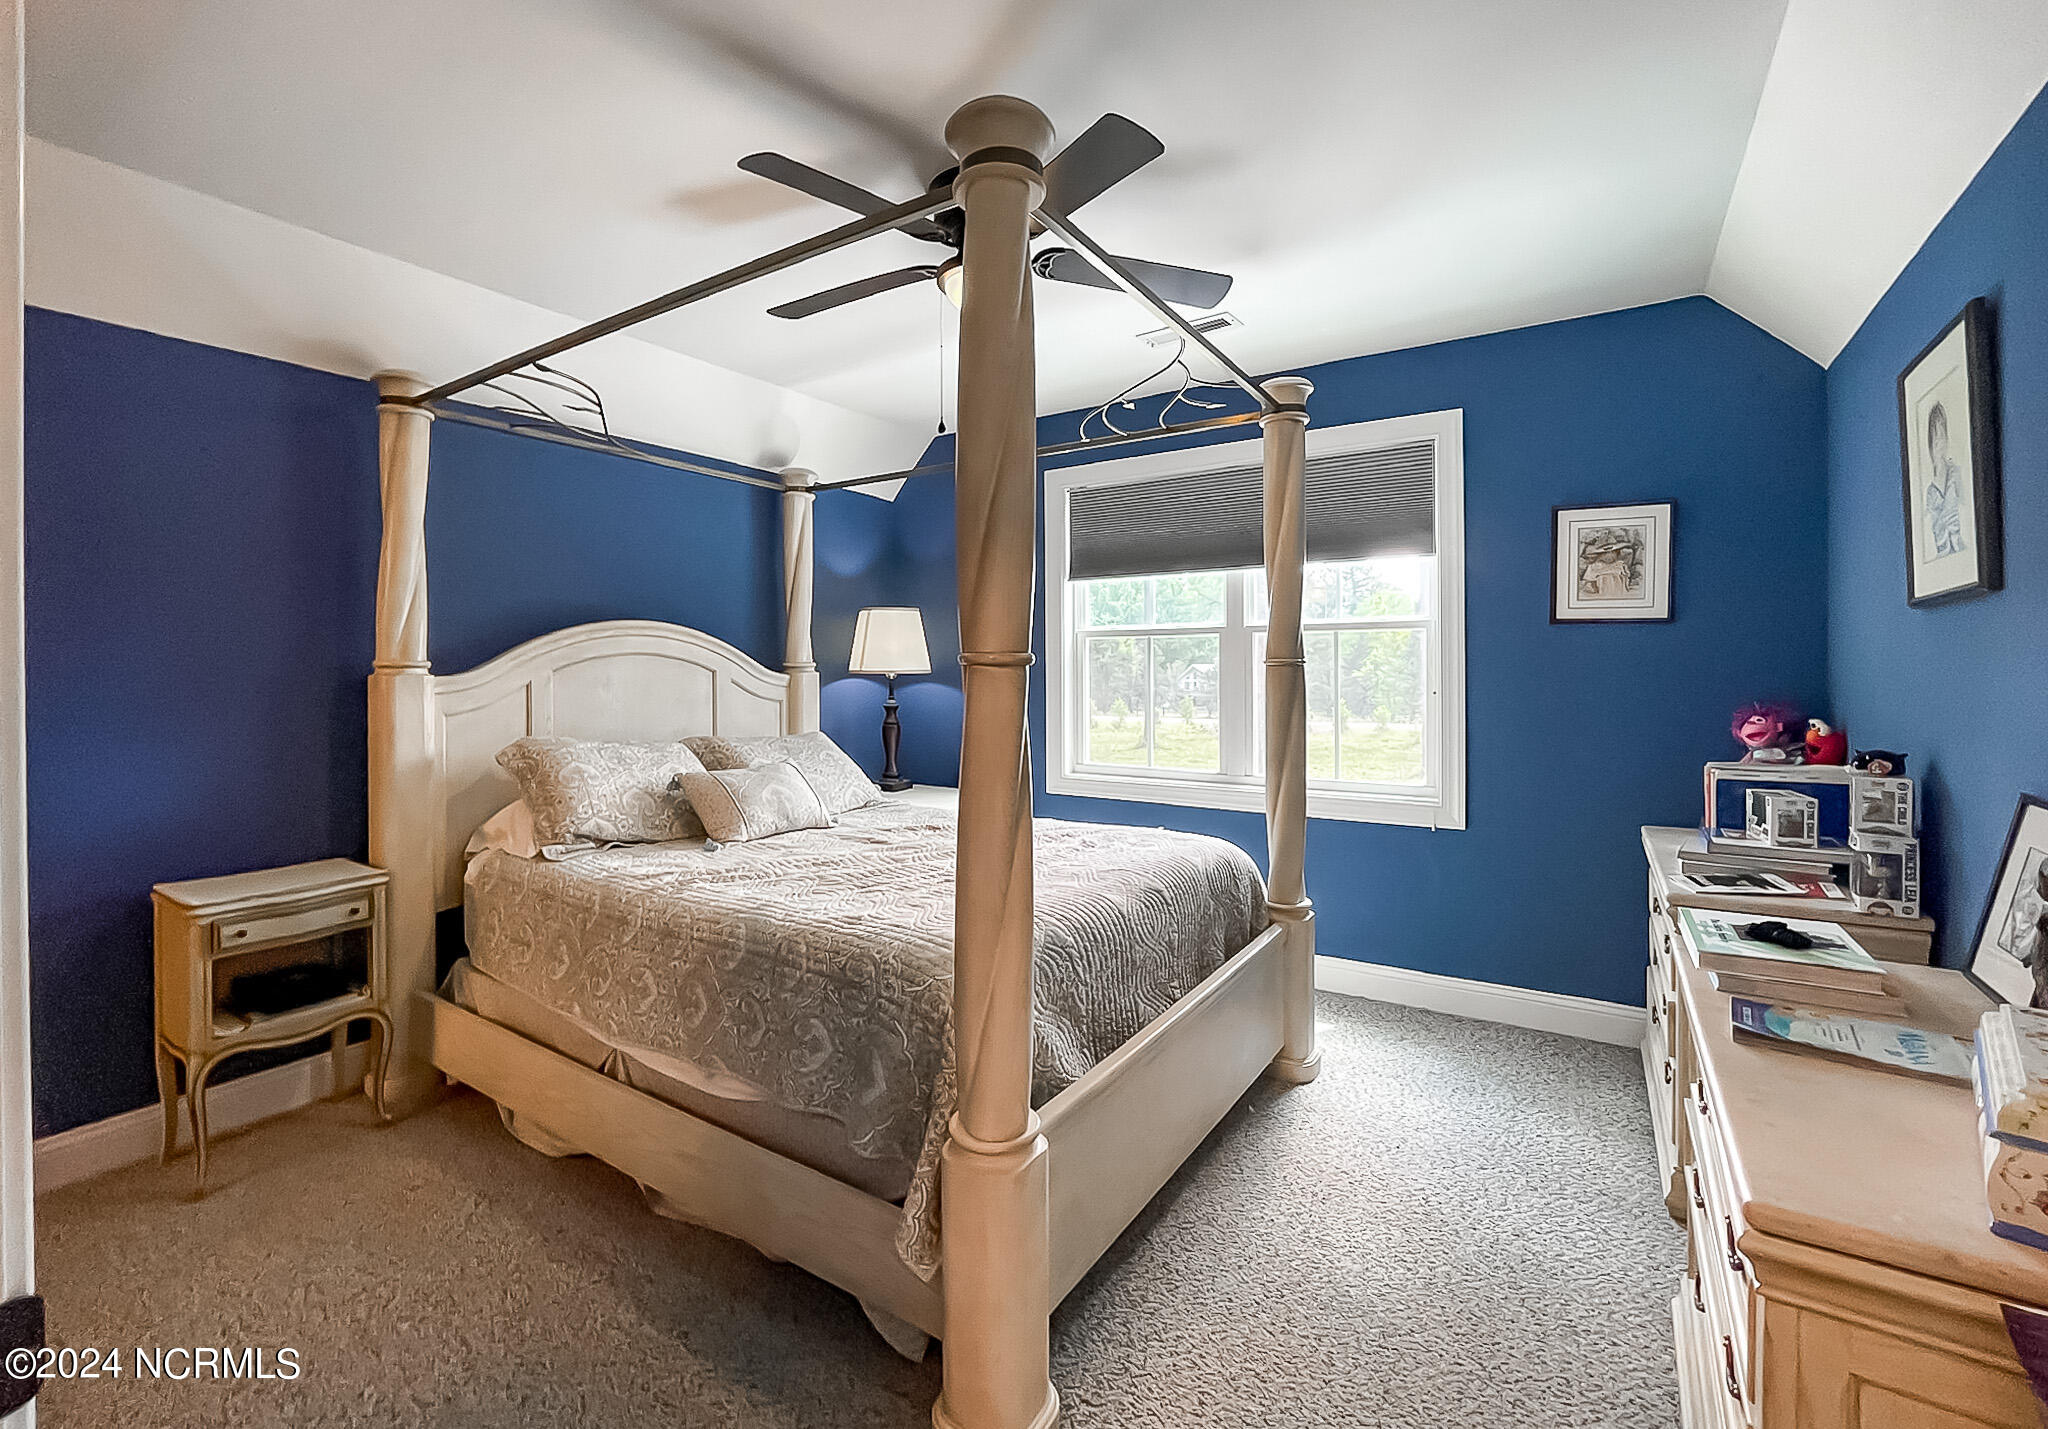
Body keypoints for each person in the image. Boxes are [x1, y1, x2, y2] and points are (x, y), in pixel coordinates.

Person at [1924, 402, 1966, 559]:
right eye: (1935, 439)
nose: (1938, 444)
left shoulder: (1956, 475)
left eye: (1941, 437)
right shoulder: (1930, 491)